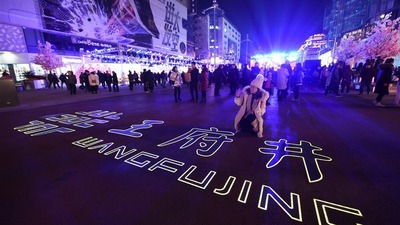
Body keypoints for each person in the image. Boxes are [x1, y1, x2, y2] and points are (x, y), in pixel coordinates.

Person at [234, 74, 269, 138]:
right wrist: (238, 96)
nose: (251, 88)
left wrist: (258, 112)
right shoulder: (246, 94)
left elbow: (263, 109)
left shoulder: (261, 97)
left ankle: (258, 126)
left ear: (258, 89)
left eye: (254, 87)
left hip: (254, 115)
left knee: (251, 122)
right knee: (242, 126)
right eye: (251, 86)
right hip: (245, 113)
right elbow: (239, 103)